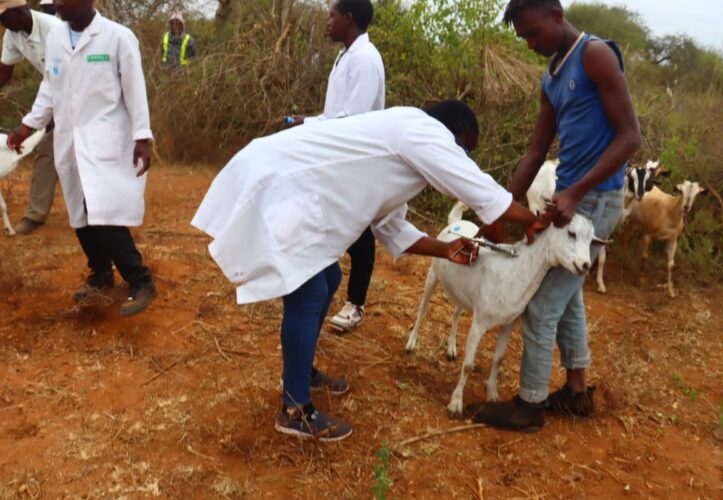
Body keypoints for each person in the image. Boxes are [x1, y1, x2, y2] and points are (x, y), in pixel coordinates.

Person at [192, 101, 547, 441]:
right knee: (310, 290)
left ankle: (301, 374)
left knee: (328, 278)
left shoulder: (399, 152)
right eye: (463, 150)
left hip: (291, 182)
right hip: (283, 181)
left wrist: (443, 249)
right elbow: (477, 187)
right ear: (452, 132)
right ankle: (295, 409)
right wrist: (531, 219)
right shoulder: (419, 129)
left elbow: (391, 227)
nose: (461, 159)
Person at [468, 0, 641, 431]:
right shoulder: (552, 74)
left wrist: (576, 191)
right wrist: (501, 207)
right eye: (523, 37)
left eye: (533, 33)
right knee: (567, 295)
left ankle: (529, 406)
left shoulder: (595, 55)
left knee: (541, 305)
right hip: (572, 199)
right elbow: (535, 150)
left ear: (556, 15)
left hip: (595, 201)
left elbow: (630, 137)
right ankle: (577, 391)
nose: (530, 43)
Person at [6, 0, 157, 316]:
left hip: (106, 140)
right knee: (80, 214)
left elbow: (135, 90)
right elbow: (50, 87)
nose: (59, 3)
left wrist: (142, 137)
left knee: (101, 212)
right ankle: (100, 275)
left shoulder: (118, 37)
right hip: (70, 142)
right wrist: (26, 125)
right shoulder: (58, 38)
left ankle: (140, 281)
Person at [288, 0, 384, 333]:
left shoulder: (365, 60)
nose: (327, 21)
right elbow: (336, 115)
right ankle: (319, 286)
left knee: (360, 233)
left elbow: (351, 122)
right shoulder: (347, 54)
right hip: (338, 157)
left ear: (349, 18)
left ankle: (355, 304)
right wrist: (309, 121)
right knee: (345, 227)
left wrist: (311, 126)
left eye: (332, 16)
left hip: (355, 159)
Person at [0, 0, 60, 235]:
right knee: (46, 152)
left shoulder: (53, 29)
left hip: (84, 94)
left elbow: (72, 72)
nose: (2, 23)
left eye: (4, 17)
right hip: (53, 93)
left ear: (20, 9)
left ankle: (97, 215)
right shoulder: (13, 35)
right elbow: (4, 73)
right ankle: (36, 215)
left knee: (86, 155)